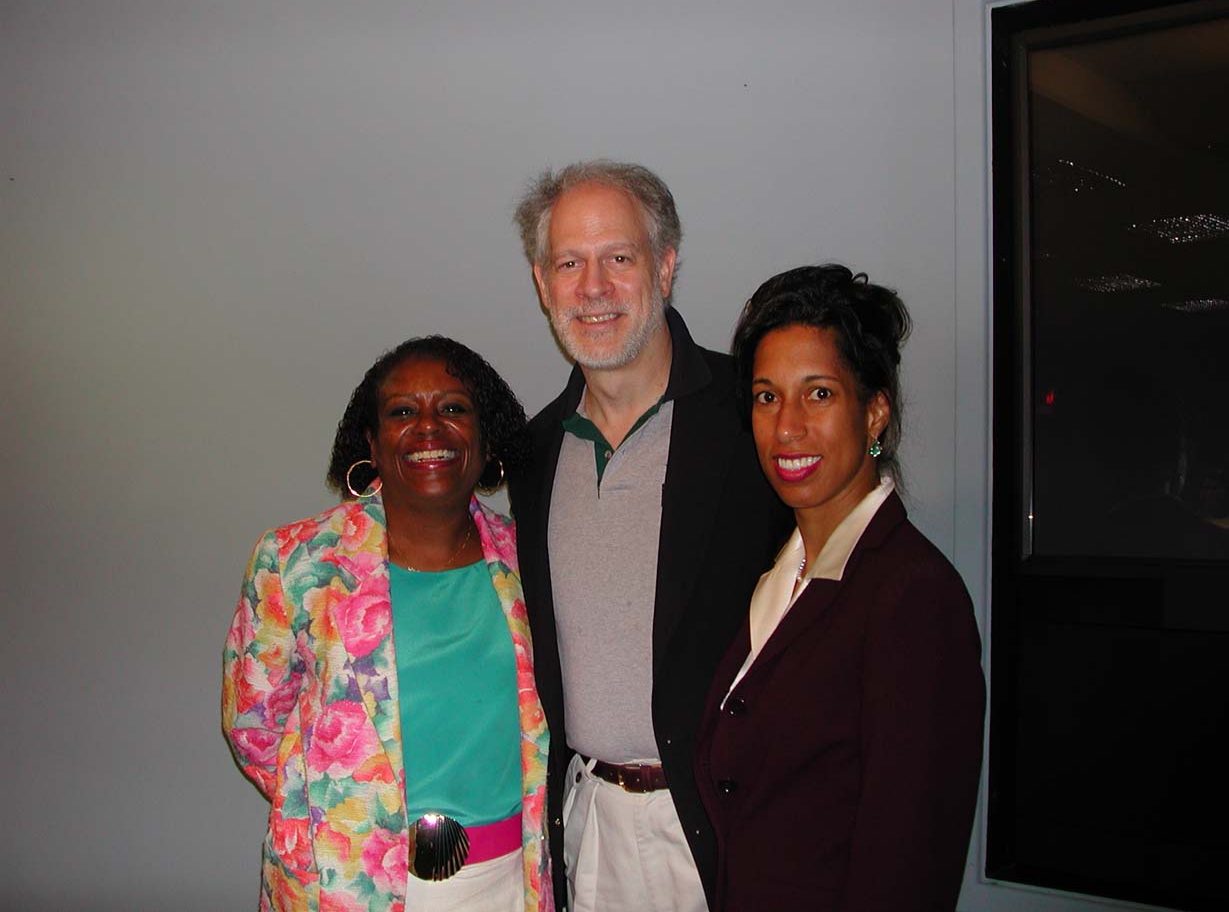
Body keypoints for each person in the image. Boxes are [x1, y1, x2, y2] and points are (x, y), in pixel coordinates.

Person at [509, 160, 790, 912]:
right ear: (542, 284)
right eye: (569, 263)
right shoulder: (532, 454)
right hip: (585, 827)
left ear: (665, 266)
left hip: (720, 829)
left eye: (618, 258)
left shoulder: (753, 418)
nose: (592, 288)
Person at [222, 337, 553, 912]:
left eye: (453, 408)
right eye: (403, 412)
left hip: (506, 882)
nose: (429, 428)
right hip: (343, 882)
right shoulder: (295, 562)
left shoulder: (532, 560)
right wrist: (335, 806)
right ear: (371, 443)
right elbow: (254, 727)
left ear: (486, 439)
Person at [695, 264, 985, 911]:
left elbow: (909, 863)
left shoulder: (912, 597)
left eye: (818, 394)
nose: (786, 426)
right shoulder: (779, 576)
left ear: (874, 412)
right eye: (766, 396)